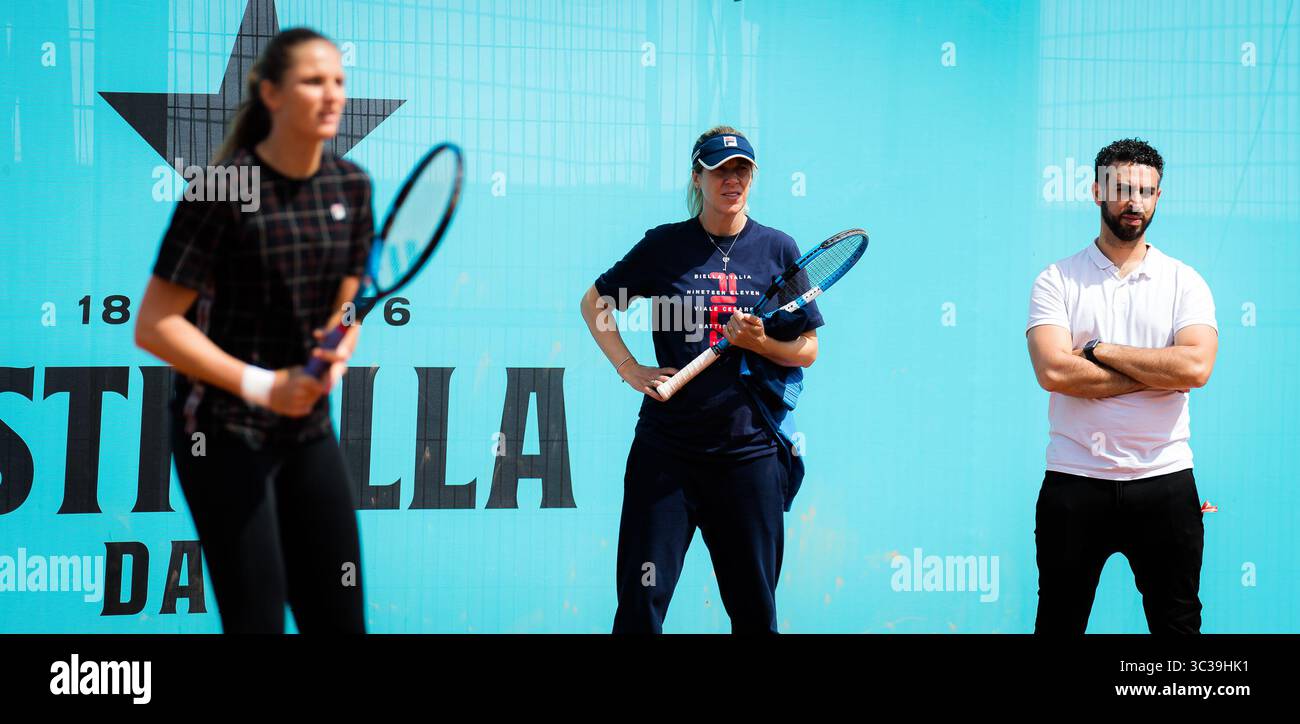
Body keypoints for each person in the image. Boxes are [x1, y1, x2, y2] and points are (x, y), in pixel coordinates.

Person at [134, 27, 372, 633]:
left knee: (340, 619)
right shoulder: (220, 190)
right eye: (312, 81)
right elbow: (156, 326)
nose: (331, 94)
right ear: (270, 92)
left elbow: (348, 299)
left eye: (338, 81)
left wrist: (338, 347)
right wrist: (265, 387)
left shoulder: (352, 186)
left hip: (309, 432)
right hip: (221, 432)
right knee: (256, 621)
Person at [579, 126, 822, 633]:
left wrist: (759, 344)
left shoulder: (779, 250)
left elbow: (807, 350)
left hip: (748, 454)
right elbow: (595, 303)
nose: (731, 179)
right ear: (698, 177)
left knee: (755, 611)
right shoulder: (664, 246)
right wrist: (630, 369)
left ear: (752, 178)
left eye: (741, 170)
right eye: (719, 169)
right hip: (666, 454)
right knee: (641, 607)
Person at [1025, 138, 1218, 634]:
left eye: (1148, 191)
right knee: (1058, 624)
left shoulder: (1184, 281)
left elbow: (1195, 369)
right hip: (1074, 481)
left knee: (1178, 628)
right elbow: (1054, 373)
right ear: (1096, 192)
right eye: (1123, 189)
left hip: (1165, 481)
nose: (1136, 202)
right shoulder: (1056, 280)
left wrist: (1098, 350)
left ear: (1158, 197)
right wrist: (1158, 374)